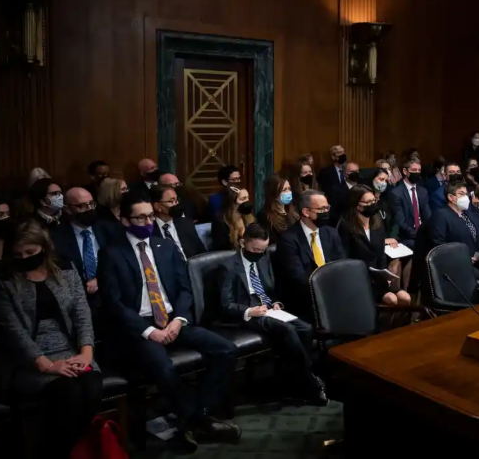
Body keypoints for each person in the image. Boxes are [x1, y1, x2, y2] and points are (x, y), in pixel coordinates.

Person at [98, 192, 240, 452]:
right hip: (140, 326)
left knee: (226, 350)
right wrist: (150, 331)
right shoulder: (112, 253)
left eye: (150, 216)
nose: (147, 222)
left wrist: (178, 320)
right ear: (125, 220)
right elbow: (113, 303)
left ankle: (195, 413)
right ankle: (199, 420)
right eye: (140, 218)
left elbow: (184, 289)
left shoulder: (165, 247)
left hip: (173, 318)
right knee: (162, 367)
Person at [0, 220, 102, 459]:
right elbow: (13, 331)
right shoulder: (3, 281)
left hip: (71, 350)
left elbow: (82, 315)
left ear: (44, 247)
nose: (24, 258)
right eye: (18, 254)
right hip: (29, 360)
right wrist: (47, 365)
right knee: (68, 393)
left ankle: (73, 452)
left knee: (91, 387)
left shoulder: (66, 271)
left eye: (30, 252)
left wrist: (86, 353)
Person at [216, 224, 328, 405]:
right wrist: (249, 311)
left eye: (263, 250)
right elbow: (225, 304)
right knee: (286, 329)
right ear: (243, 243)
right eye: (255, 249)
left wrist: (275, 303)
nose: (259, 253)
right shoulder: (227, 266)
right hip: (246, 312)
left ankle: (295, 379)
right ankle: (309, 379)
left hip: (267, 307)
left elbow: (270, 289)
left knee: (306, 328)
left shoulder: (263, 259)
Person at [275, 189, 345, 317]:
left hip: (334, 291)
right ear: (306, 212)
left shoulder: (331, 233)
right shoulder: (289, 239)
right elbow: (297, 277)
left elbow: (341, 264)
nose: (326, 212)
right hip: (306, 297)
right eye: (321, 209)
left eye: (327, 208)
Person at [338, 185, 411, 305]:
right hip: (360, 279)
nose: (372, 204)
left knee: (405, 297)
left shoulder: (377, 222)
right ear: (357, 205)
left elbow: (381, 254)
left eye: (373, 201)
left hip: (379, 278)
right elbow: (346, 258)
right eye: (368, 202)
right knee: (391, 300)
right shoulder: (345, 227)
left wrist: (384, 275)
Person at [50, 188, 121, 311]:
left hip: (113, 293)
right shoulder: (56, 238)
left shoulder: (110, 230)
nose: (89, 209)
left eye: (91, 204)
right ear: (68, 209)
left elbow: (121, 262)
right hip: (78, 300)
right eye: (82, 206)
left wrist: (100, 279)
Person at [150, 185, 207, 259]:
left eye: (176, 200)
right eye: (171, 201)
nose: (176, 205)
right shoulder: (150, 230)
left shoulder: (185, 223)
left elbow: (202, 253)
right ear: (157, 206)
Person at [387, 159, 432, 250]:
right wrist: (419, 235)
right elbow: (400, 221)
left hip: (423, 233)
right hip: (406, 236)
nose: (417, 172)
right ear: (405, 171)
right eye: (414, 170)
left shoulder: (423, 191)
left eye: (419, 170)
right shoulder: (396, 193)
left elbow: (428, 215)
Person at [257, 175, 299, 245]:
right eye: (284, 190)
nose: (288, 192)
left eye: (289, 189)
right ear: (274, 193)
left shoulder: (294, 212)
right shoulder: (264, 215)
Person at [211, 187, 255, 251]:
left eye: (247, 198)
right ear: (232, 202)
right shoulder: (220, 222)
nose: (247, 201)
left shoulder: (249, 217)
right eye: (243, 199)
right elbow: (221, 249)